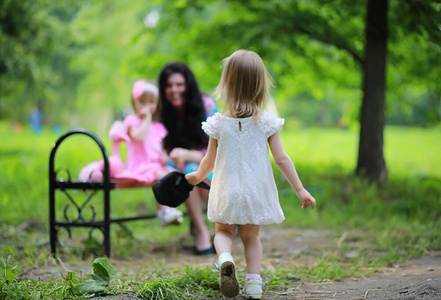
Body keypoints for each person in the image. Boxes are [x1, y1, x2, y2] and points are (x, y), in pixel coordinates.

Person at [185, 50, 316, 299]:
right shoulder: (267, 122)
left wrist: (194, 178)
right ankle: (254, 283)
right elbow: (281, 158)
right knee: (252, 237)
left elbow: (208, 161)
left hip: (226, 190)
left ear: (227, 84)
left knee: (223, 232)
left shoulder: (218, 123)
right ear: (261, 85)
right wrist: (300, 188)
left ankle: (225, 259)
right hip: (255, 191)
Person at [79, 80, 184, 226]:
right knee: (164, 176)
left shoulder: (158, 127)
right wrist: (147, 119)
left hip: (154, 166)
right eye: (142, 102)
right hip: (139, 167)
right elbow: (139, 137)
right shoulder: (132, 122)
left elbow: (161, 149)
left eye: (151, 102)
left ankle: (167, 209)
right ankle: (165, 211)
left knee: (174, 175)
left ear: (157, 103)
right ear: (134, 103)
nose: (147, 106)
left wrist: (164, 156)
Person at [158, 62, 218, 255]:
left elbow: (220, 148)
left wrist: (188, 154)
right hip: (178, 167)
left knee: (193, 170)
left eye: (179, 84)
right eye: (169, 86)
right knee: (186, 173)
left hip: (211, 161)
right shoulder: (162, 112)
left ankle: (225, 224)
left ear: (188, 85)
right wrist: (168, 156)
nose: (174, 90)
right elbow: (158, 147)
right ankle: (202, 232)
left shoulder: (206, 105)